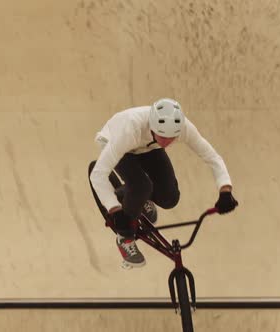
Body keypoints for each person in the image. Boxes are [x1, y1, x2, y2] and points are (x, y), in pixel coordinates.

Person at [88, 98, 238, 268]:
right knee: (142, 186)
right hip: (117, 143)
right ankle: (124, 238)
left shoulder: (183, 127)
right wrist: (115, 210)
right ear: (152, 127)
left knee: (170, 197)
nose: (167, 142)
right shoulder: (130, 130)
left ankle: (134, 196)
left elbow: (212, 157)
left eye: (172, 137)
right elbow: (98, 174)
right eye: (163, 136)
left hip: (149, 146)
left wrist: (225, 190)